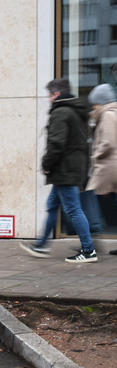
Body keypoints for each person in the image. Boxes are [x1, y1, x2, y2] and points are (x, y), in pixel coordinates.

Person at [20, 78, 97, 263]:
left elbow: (56, 143)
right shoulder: (75, 111)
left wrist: (47, 165)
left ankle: (88, 250)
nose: (48, 99)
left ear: (56, 94)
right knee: (52, 206)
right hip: (69, 168)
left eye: (49, 95)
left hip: (64, 170)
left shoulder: (61, 112)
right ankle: (41, 245)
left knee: (73, 209)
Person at [86, 83, 117, 255]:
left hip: (108, 167)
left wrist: (96, 155)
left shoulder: (108, 115)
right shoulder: (113, 113)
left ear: (101, 102)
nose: (93, 107)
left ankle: (91, 241)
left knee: (90, 199)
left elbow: (108, 142)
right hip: (112, 167)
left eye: (95, 103)